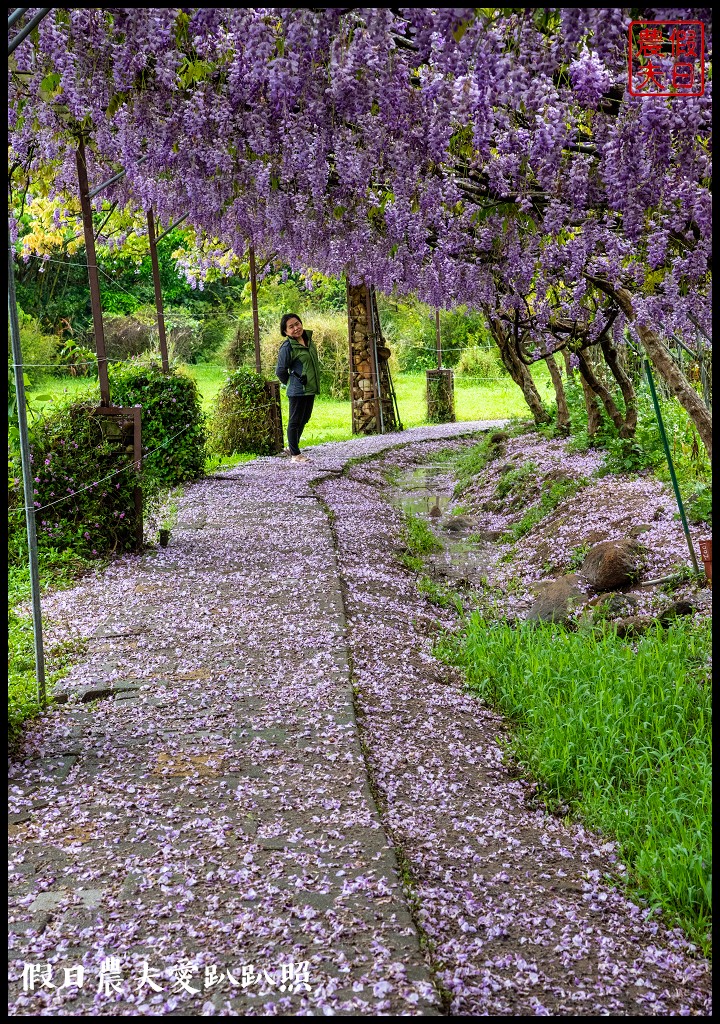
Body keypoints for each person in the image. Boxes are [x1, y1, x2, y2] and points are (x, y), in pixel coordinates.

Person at [275, 313, 321, 463]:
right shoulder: (287, 347)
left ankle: (292, 446)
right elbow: (280, 371)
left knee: (304, 418)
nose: (296, 328)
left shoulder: (308, 340)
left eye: (297, 324)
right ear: (285, 332)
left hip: (310, 388)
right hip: (297, 390)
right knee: (295, 421)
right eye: (291, 327)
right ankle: (295, 455)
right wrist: (291, 381)